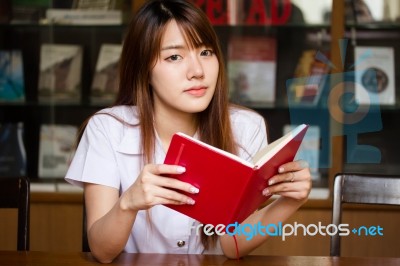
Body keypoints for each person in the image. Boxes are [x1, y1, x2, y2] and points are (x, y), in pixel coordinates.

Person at [65, 0, 312, 263]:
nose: (197, 71)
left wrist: (289, 201)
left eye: (206, 52)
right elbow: (102, 252)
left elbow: (232, 244)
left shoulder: (245, 126)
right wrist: (129, 203)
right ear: (144, 71)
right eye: (174, 57)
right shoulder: (107, 128)